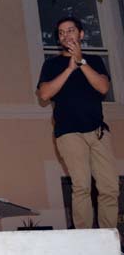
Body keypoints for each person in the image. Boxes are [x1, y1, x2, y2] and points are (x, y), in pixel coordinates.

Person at [37, 16, 119, 230]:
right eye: (61, 33)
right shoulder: (51, 64)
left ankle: (108, 235)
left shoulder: (94, 61)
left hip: (98, 132)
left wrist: (81, 62)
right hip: (69, 133)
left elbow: (103, 87)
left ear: (81, 34)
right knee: (81, 186)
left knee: (110, 187)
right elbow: (44, 94)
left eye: (70, 30)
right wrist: (69, 68)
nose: (66, 35)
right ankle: (85, 237)